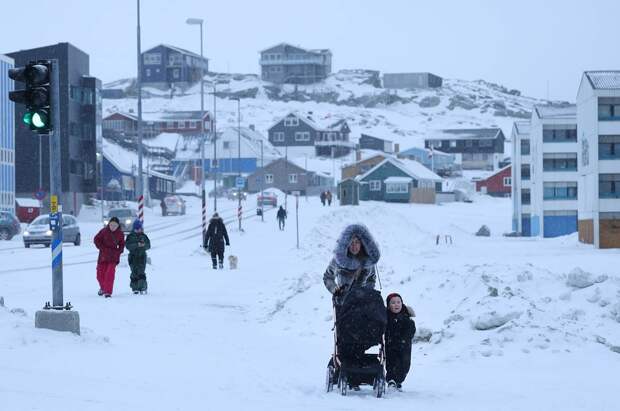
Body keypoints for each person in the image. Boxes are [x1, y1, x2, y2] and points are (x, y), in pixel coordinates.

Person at [323, 224, 381, 390]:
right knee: (345, 336)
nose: (354, 245)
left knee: (362, 335)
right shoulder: (338, 261)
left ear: (363, 244)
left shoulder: (368, 263)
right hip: (344, 305)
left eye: (357, 242)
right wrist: (335, 290)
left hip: (363, 306)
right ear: (346, 244)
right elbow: (327, 277)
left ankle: (357, 370)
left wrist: (366, 292)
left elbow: (372, 280)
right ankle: (344, 367)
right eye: (351, 242)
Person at [385, 293, 416, 391]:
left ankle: (398, 381)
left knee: (405, 365)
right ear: (389, 306)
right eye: (393, 303)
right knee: (391, 362)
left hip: (404, 345)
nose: (396, 304)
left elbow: (411, 330)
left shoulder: (406, 317)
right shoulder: (386, 317)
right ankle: (391, 381)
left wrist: (405, 338)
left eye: (398, 302)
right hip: (391, 344)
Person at [94, 216, 125, 298]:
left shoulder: (120, 234)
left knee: (109, 274)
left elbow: (122, 244)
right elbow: (96, 239)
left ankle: (108, 292)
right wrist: (102, 248)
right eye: (111, 225)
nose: (113, 227)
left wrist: (119, 251)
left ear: (118, 226)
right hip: (103, 256)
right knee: (99, 275)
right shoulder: (103, 231)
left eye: (115, 225)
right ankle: (103, 288)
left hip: (113, 257)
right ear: (109, 224)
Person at [125, 219, 151, 295]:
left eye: (140, 228)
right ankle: (135, 287)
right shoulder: (130, 236)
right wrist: (137, 245)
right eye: (137, 229)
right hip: (132, 257)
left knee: (141, 272)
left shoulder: (144, 236)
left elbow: (148, 245)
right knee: (134, 272)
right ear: (134, 229)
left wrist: (143, 245)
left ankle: (142, 287)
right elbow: (128, 246)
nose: (138, 230)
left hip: (142, 256)